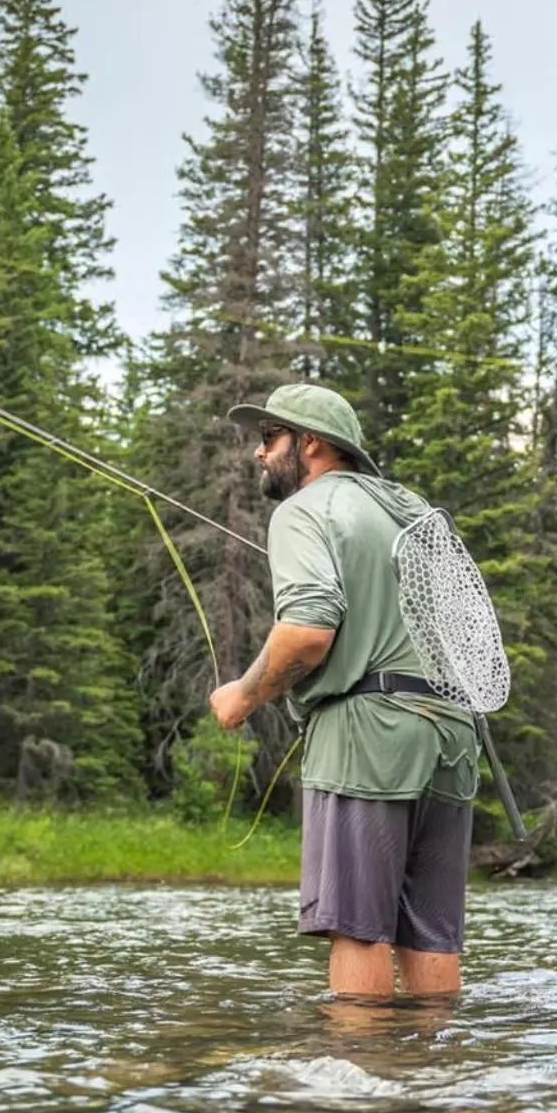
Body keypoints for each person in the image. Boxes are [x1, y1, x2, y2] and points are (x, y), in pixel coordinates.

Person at [207, 383, 481, 998]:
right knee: (430, 936)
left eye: (269, 437)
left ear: (311, 444)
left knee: (358, 930)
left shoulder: (303, 510)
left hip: (369, 740)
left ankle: (357, 1084)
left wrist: (242, 697)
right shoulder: (411, 507)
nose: (258, 453)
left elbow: (307, 632)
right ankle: (436, 1078)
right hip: (454, 740)